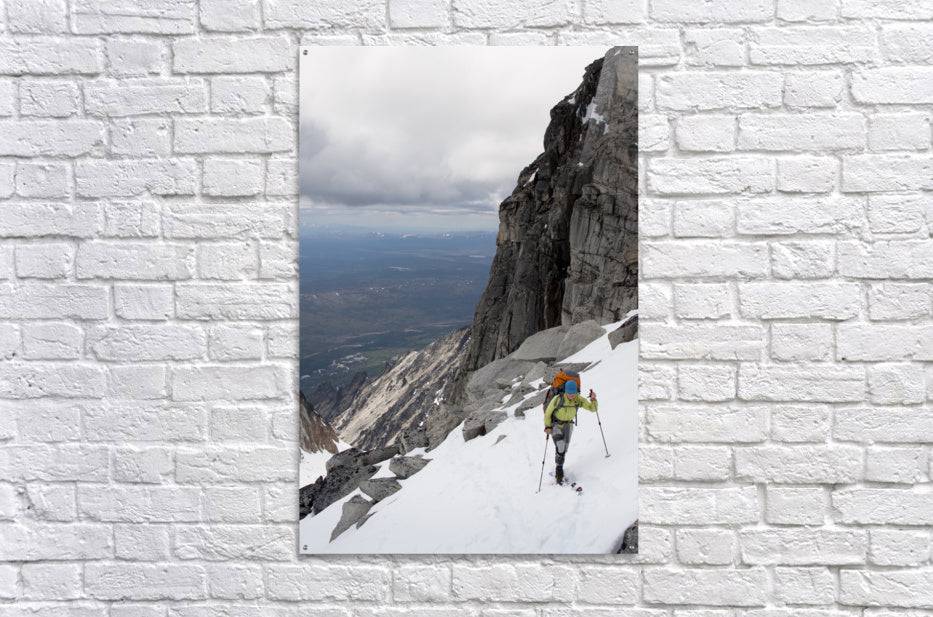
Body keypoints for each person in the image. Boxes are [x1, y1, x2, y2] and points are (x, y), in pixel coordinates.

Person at [543, 380, 598, 484]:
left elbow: (592, 408)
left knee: (564, 448)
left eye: (574, 394)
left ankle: (559, 464)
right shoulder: (557, 399)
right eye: (569, 394)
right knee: (560, 446)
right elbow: (548, 413)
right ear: (565, 392)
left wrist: (593, 399)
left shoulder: (578, 399)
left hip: (569, 425)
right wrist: (547, 426)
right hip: (556, 425)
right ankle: (559, 472)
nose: (572, 396)